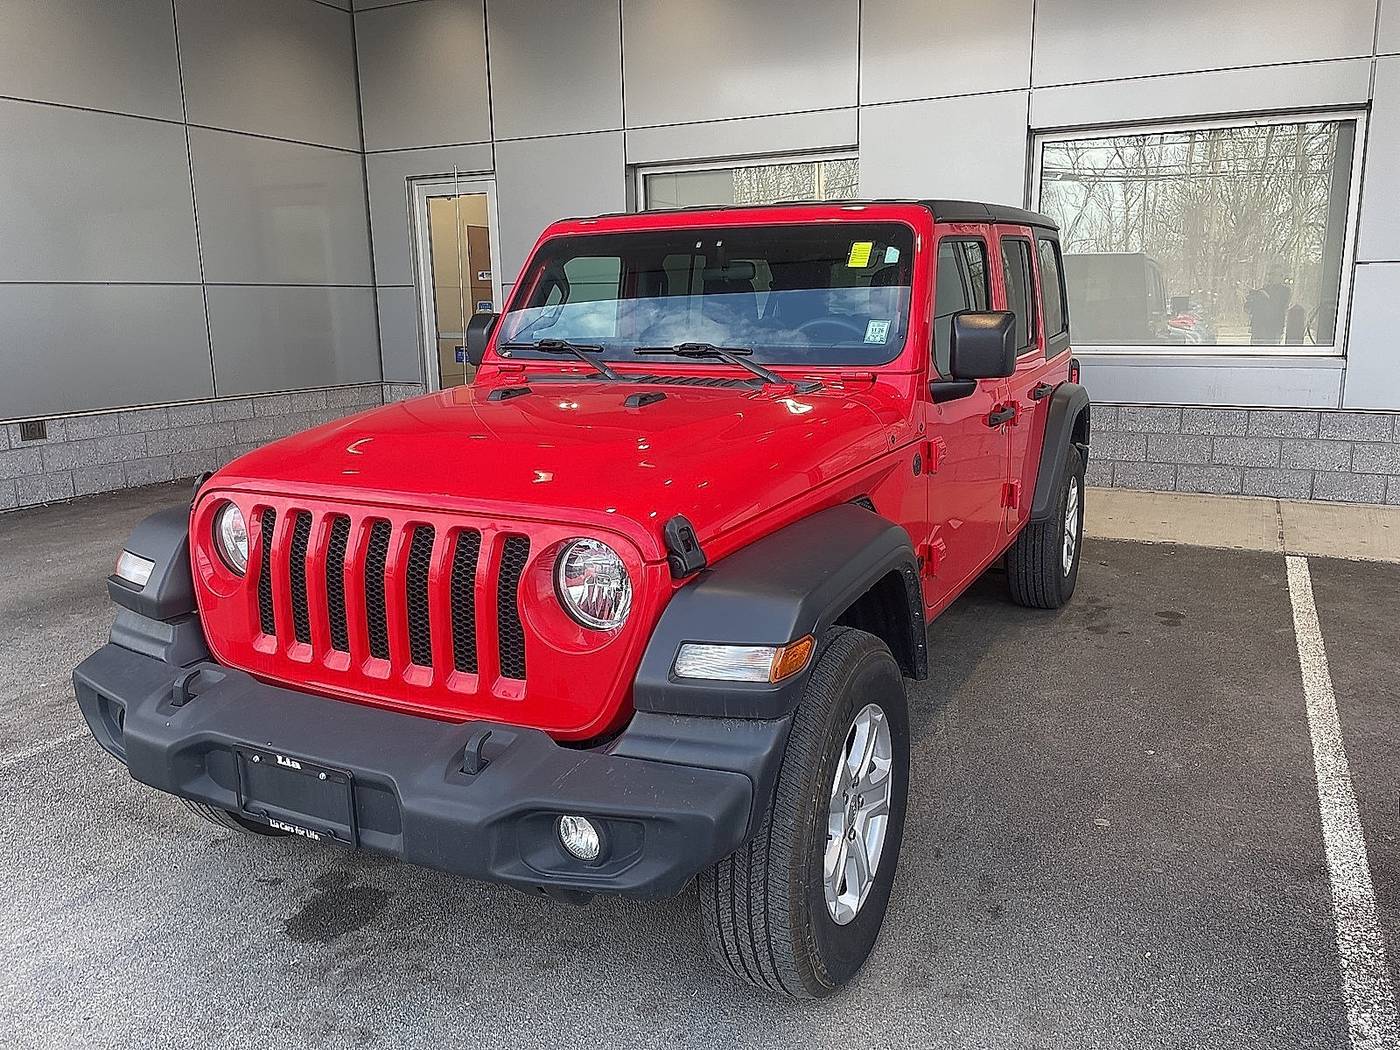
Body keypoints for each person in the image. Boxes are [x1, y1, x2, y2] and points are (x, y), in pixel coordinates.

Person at [1245, 261, 1291, 344]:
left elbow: (1279, 307)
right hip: (1258, 329)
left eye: (1276, 274)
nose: (1273, 277)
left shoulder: (1285, 291)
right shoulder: (1263, 289)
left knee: (1270, 353)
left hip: (1273, 329)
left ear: (1282, 277)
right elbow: (1249, 309)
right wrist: (1251, 300)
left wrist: (1265, 296)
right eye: (1271, 274)